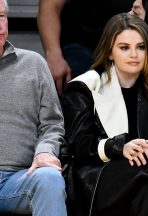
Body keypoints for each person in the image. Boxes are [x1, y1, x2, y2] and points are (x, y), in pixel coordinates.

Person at [61, 13, 148, 216]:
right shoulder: (84, 87)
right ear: (110, 52)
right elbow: (79, 144)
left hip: (147, 175)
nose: (134, 54)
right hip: (97, 180)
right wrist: (120, 146)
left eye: (140, 47)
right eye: (124, 48)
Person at [0, 0, 66, 215]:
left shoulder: (33, 64)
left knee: (50, 178)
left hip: (18, 178)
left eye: (2, 16)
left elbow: (52, 125)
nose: (1, 27)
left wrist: (45, 152)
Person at [37, 0, 134, 95]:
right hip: (82, 45)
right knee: (76, 83)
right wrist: (54, 55)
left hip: (131, 42)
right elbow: (50, 6)